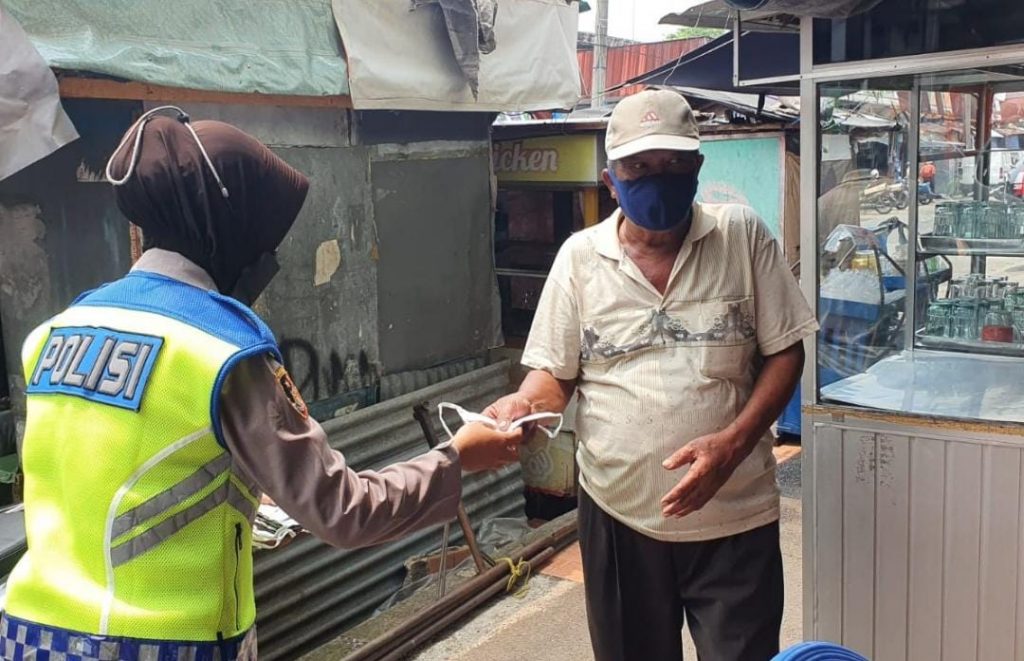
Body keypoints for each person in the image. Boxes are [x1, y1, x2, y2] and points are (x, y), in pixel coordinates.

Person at [1, 107, 523, 661]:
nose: (268, 258)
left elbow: (110, 475)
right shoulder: (224, 353)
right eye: (263, 238)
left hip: (30, 634)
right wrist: (457, 458)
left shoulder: (53, 333)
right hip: (164, 645)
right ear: (226, 228)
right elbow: (344, 511)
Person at [486, 90, 818, 661]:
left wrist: (735, 444)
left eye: (672, 164)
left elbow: (785, 352)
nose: (656, 178)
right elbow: (553, 377)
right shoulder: (578, 258)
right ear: (610, 180)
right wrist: (522, 408)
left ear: (697, 167)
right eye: (639, 167)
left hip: (735, 516)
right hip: (619, 516)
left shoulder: (741, 235)